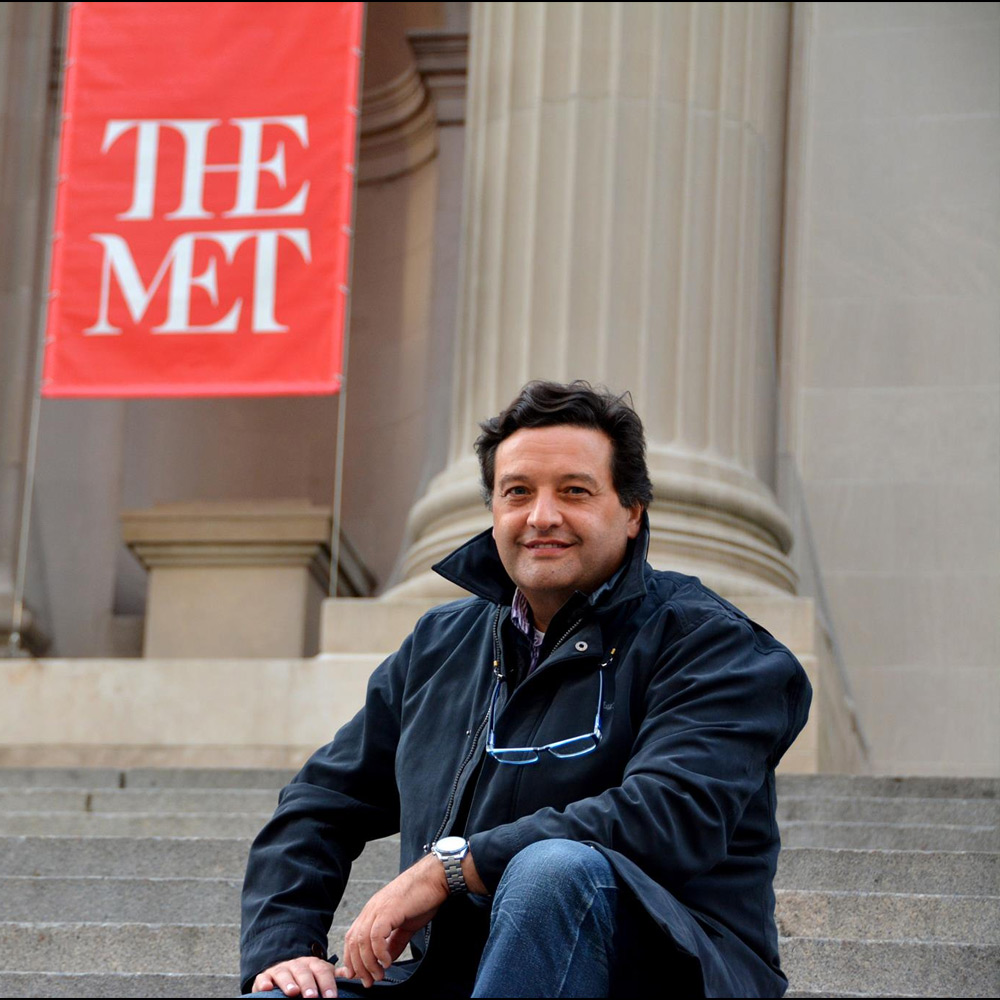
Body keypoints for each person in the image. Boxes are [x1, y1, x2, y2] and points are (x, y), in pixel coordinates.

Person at [240, 380, 812, 999]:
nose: (542, 516)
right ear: (494, 512)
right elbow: (319, 802)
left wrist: (449, 870)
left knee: (555, 871)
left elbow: (671, 813)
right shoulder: (441, 645)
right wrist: (286, 947)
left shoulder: (710, 643)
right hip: (449, 977)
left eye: (574, 491)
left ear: (632, 511)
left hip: (665, 972)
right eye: (518, 493)